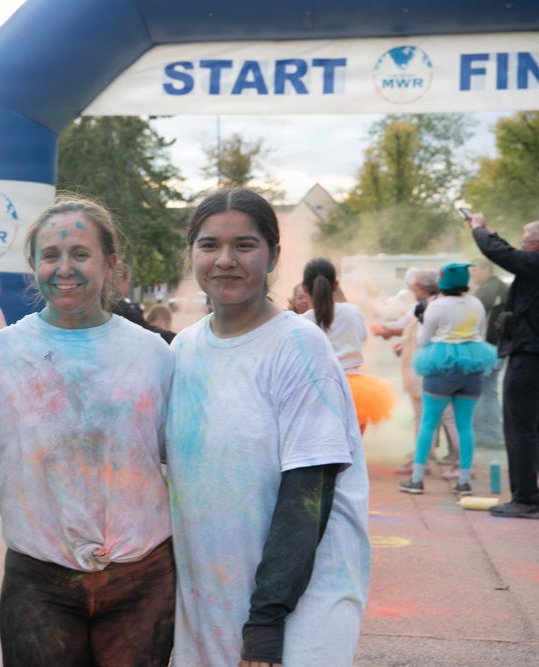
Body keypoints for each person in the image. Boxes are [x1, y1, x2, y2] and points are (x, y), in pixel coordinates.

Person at [0, 196, 176, 666]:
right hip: (39, 583)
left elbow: (173, 455)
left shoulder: (153, 354)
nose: (65, 269)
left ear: (111, 264)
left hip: (142, 581)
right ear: (33, 264)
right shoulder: (2, 355)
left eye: (81, 254)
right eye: (51, 256)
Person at [166, 187, 370, 666]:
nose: (225, 260)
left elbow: (309, 491)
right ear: (192, 254)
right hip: (211, 597)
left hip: (296, 604)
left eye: (244, 245)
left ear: (273, 255)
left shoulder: (299, 346)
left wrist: (265, 622)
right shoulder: (183, 350)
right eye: (210, 245)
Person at [398, 263, 498, 496]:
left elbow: (423, 341)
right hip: (472, 365)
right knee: (465, 425)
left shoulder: (437, 306)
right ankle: (464, 481)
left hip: (440, 366)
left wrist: (422, 319)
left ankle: (417, 479)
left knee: (428, 422)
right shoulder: (476, 303)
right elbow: (478, 332)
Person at [469, 214, 539, 518]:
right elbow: (507, 252)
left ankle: (525, 498)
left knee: (519, 427)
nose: (521, 246)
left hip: (529, 356)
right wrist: (487, 231)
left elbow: (500, 253)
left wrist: (479, 229)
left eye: (525, 241)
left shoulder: (534, 264)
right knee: (531, 427)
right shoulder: (532, 264)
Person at [370, 268, 460, 476]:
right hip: (426, 369)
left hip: (429, 369)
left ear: (420, 287)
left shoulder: (432, 307)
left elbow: (415, 333)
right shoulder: (428, 305)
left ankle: (458, 463)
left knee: (443, 417)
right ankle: (427, 459)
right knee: (432, 417)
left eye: (414, 284)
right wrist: (387, 330)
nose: (411, 287)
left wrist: (386, 331)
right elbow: (404, 326)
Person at [301, 258, 397, 434]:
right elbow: (363, 338)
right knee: (354, 447)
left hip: (320, 390)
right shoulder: (353, 311)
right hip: (355, 391)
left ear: (304, 288)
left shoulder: (302, 321)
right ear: (336, 286)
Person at [469, 257, 509, 449]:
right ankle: (494, 433)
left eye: (475, 270)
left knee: (481, 391)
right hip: (498, 347)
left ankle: (486, 434)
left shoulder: (489, 289)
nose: (472, 275)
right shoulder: (499, 286)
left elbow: (472, 314)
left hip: (487, 347)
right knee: (489, 391)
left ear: (486, 269)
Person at [111, 263, 176, 343]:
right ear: (120, 282)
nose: (127, 289)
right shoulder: (118, 305)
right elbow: (146, 329)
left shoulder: (102, 301)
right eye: (127, 283)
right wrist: (176, 339)